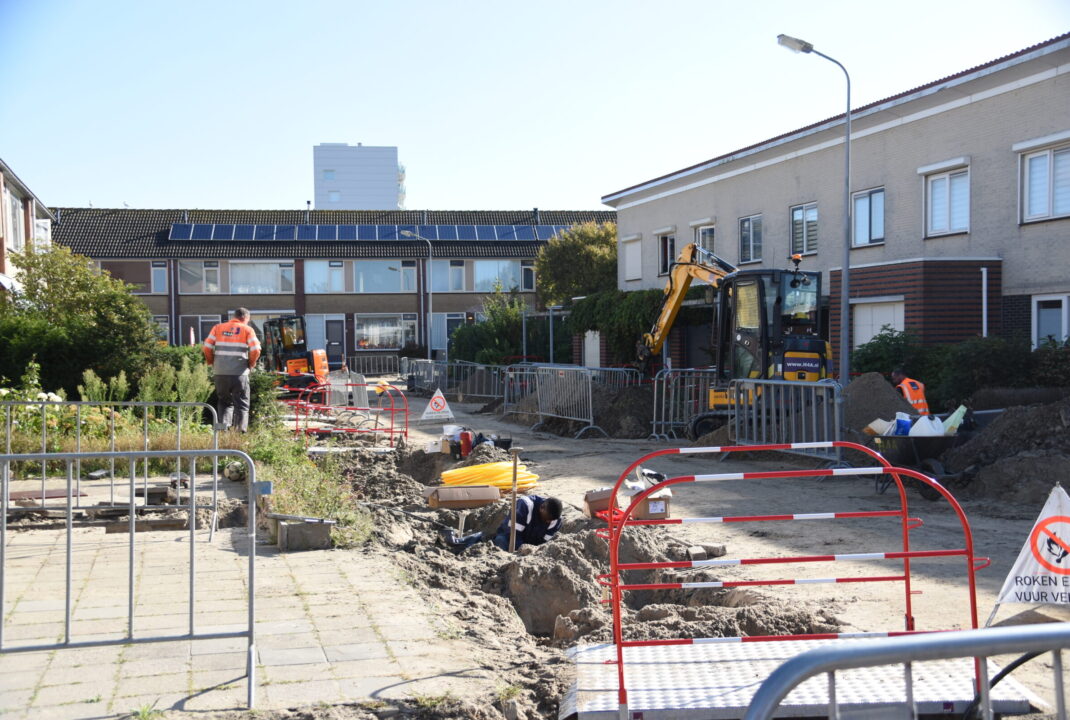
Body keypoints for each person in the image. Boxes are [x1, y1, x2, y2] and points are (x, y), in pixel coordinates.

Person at [203, 308, 261, 432]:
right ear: (246, 318)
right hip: (239, 373)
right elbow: (256, 349)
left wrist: (212, 362)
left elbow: (207, 347)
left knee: (224, 403)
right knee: (241, 405)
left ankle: (223, 433)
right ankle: (239, 436)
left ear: (234, 316)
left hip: (220, 373)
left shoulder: (218, 328)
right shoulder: (247, 329)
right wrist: (250, 364)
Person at [492, 495, 563, 551]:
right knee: (501, 541)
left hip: (531, 542)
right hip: (509, 536)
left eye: (552, 520)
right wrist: (522, 550)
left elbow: (544, 542)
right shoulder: (525, 505)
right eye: (547, 519)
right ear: (541, 508)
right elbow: (513, 534)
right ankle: (482, 537)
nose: (549, 522)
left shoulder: (556, 520)